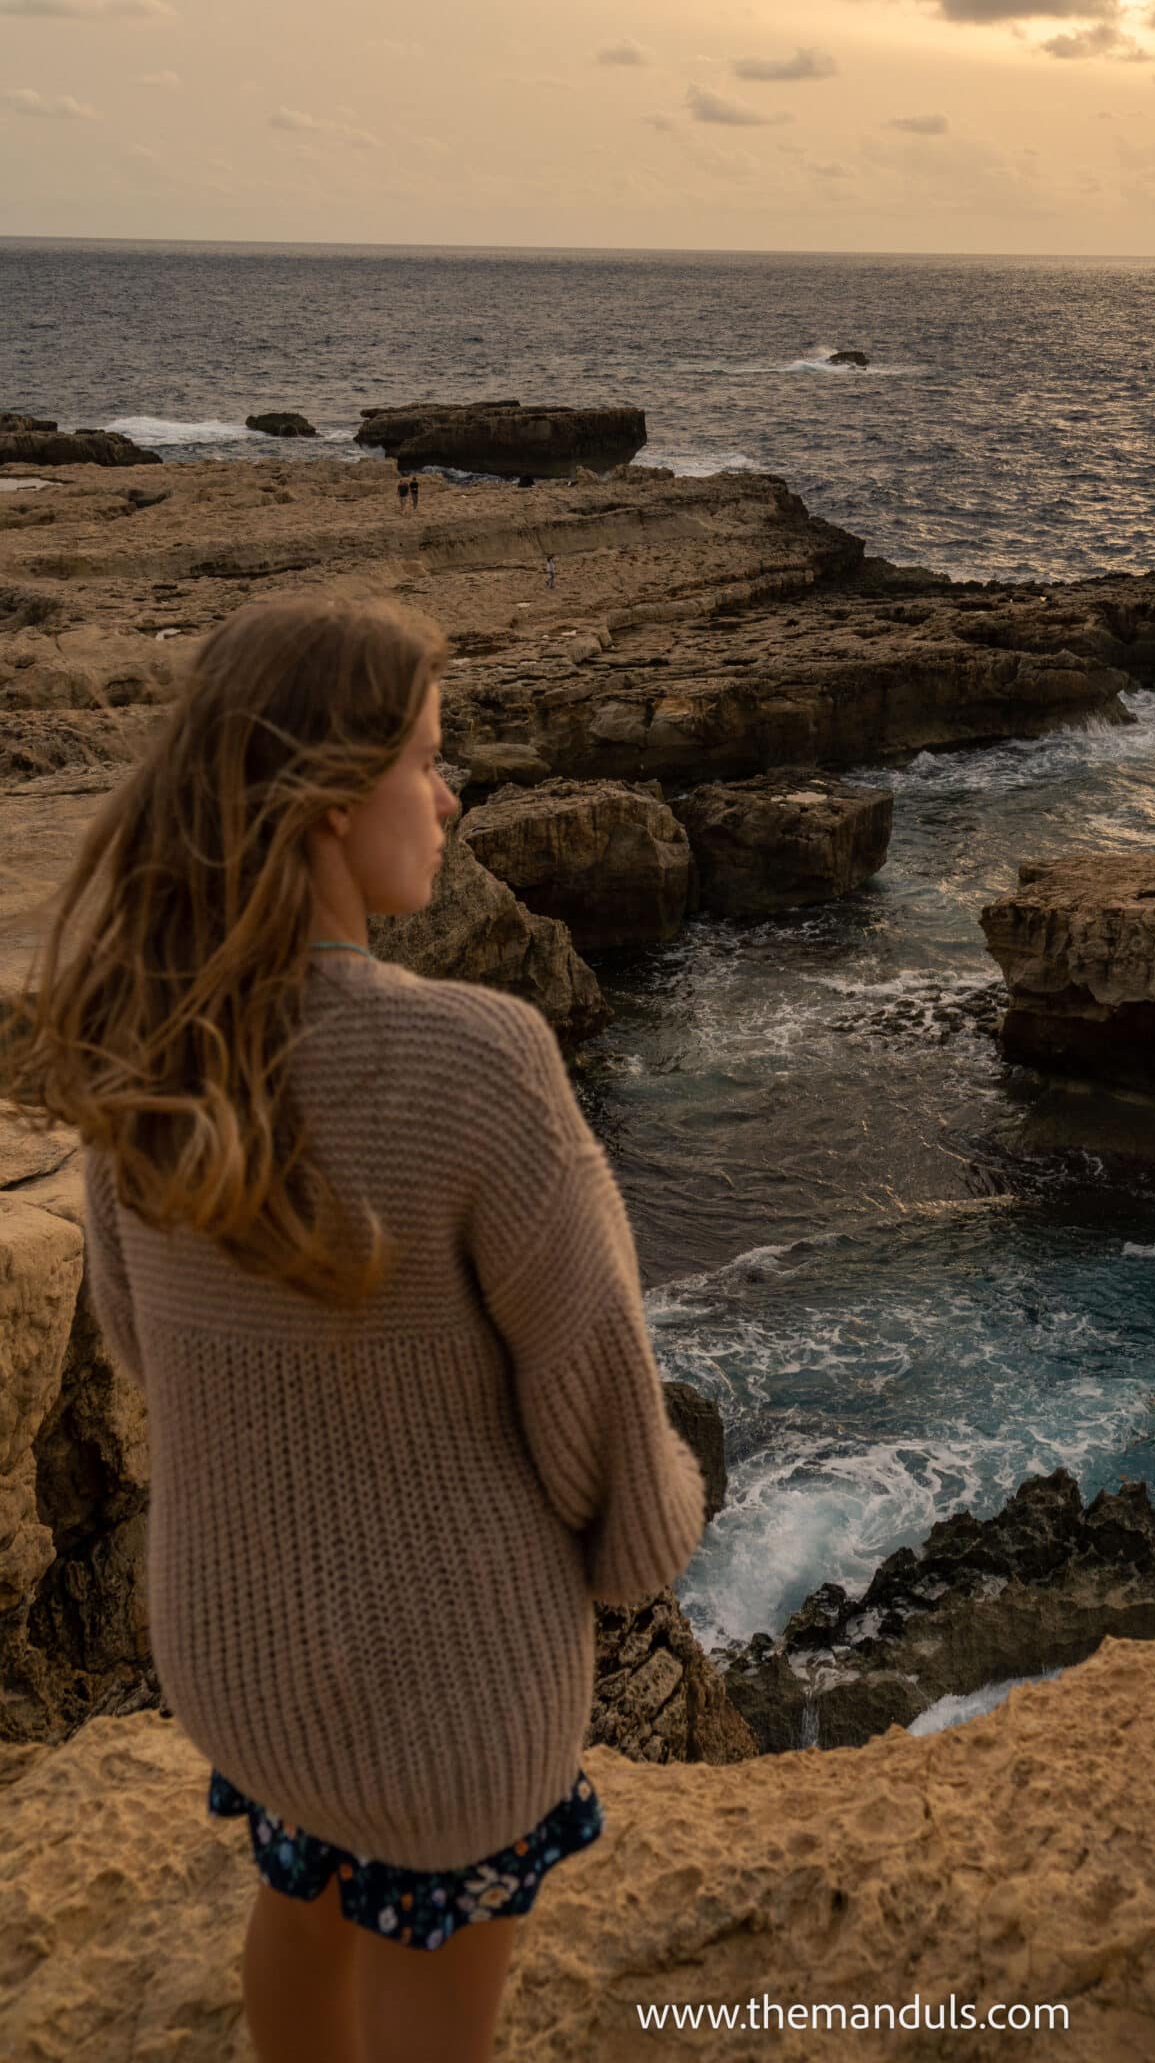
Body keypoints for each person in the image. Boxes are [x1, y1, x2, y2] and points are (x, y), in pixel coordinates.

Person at [10, 595, 705, 2063]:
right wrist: (653, 1532)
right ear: (328, 802)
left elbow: (144, 1354)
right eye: (429, 761)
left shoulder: (151, 1046)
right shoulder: (477, 1059)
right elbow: (596, 1413)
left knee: (305, 1894)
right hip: (443, 1690)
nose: (450, 798)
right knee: (433, 1996)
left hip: (238, 1658)